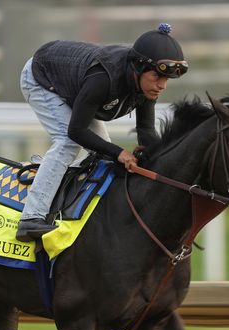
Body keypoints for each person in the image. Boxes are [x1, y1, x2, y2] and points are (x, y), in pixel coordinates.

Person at [16, 23, 189, 242]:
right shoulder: (104, 77)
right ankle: (31, 218)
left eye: (166, 80)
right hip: (42, 77)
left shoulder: (145, 84)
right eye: (157, 77)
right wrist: (120, 153)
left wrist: (158, 162)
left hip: (75, 85)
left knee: (102, 151)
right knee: (69, 144)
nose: (162, 86)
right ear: (138, 67)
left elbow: (145, 130)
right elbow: (76, 131)